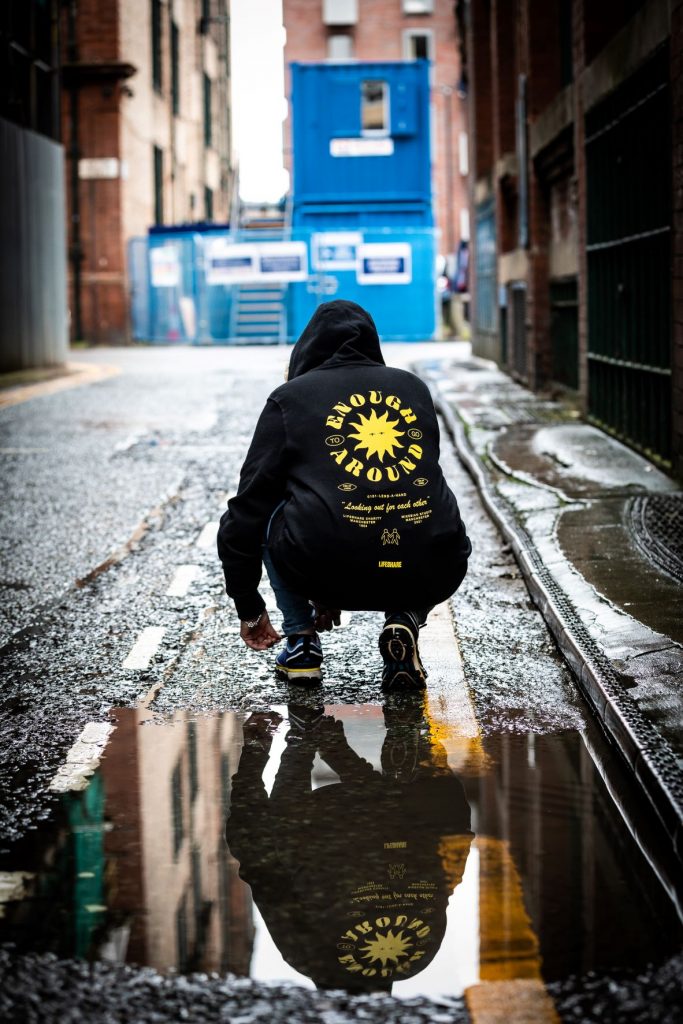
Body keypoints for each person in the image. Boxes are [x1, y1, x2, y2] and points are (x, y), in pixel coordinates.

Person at [217, 299, 471, 688]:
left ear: (306, 347)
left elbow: (246, 511)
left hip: (324, 564)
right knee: (414, 508)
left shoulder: (290, 399)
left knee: (269, 507)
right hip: (432, 569)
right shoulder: (412, 387)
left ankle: (301, 641)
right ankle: (404, 620)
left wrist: (249, 608)